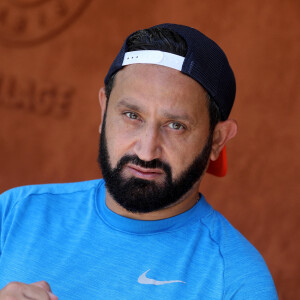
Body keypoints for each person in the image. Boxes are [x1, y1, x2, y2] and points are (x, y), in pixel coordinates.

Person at [0, 23, 278, 299]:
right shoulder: (14, 214)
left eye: (176, 125)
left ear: (217, 140)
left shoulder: (237, 281)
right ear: (104, 110)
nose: (146, 152)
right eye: (132, 116)